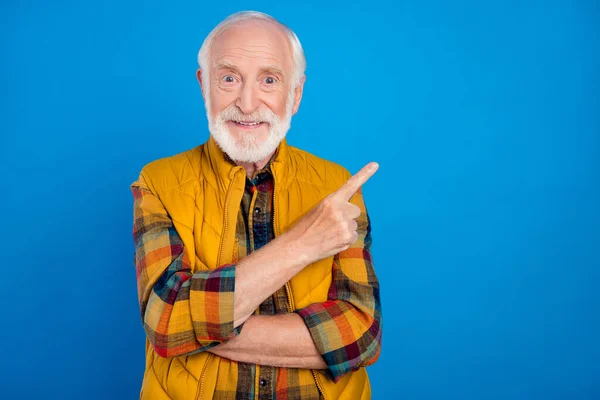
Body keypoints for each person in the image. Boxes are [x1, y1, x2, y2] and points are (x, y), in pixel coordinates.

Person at [130, 11, 382, 400]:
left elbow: (360, 336)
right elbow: (165, 322)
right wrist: (301, 244)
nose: (247, 103)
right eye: (229, 78)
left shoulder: (338, 186)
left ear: (295, 94)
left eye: (269, 79)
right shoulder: (158, 182)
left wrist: (200, 327)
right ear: (204, 86)